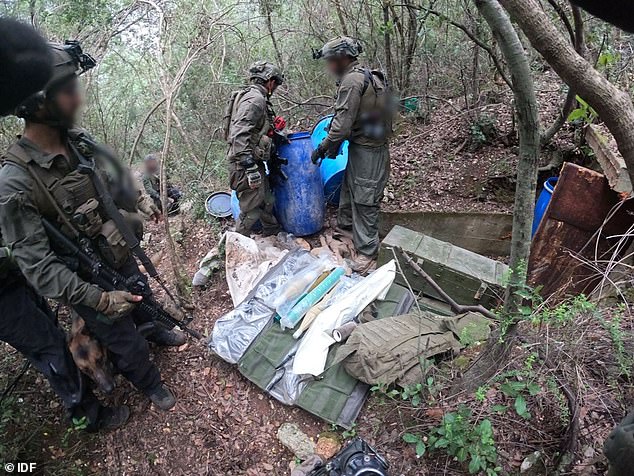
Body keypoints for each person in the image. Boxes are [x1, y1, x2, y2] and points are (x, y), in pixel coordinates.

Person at [0, 40, 181, 412]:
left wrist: (141, 201)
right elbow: (38, 267)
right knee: (120, 337)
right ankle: (150, 384)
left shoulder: (77, 141)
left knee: (142, 295)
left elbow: (112, 177)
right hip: (83, 279)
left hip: (115, 248)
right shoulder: (15, 182)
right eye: (67, 91)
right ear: (36, 104)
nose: (77, 99)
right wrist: (97, 298)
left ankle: (158, 331)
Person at [0, 20, 127, 431]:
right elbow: (37, 263)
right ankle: (87, 415)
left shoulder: (69, 145)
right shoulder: (14, 177)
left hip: (12, 273)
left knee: (50, 325)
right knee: (51, 346)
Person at [312, 36, 393, 274]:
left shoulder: (351, 81)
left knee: (365, 200)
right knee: (350, 189)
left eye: (330, 61)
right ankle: (347, 233)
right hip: (368, 148)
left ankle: (367, 253)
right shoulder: (371, 75)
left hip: (369, 152)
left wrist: (322, 148)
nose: (328, 67)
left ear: (342, 59)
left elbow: (340, 127)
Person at [225, 60, 284, 236]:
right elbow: (239, 133)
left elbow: (255, 130)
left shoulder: (255, 97)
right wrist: (249, 166)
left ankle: (273, 233)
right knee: (251, 208)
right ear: (270, 81)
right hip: (244, 165)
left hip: (252, 161)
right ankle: (237, 244)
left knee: (266, 200)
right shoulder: (255, 100)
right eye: (276, 84)